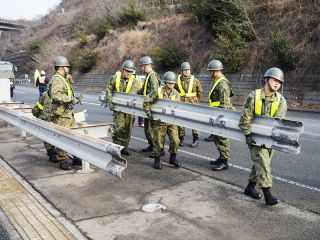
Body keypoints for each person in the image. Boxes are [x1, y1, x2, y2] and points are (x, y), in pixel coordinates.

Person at [239, 67, 287, 206]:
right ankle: (268, 195)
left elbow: (279, 122)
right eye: (274, 79)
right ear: (266, 79)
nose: (277, 83)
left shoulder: (281, 101)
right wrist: (248, 134)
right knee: (263, 163)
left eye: (279, 81)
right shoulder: (253, 96)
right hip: (254, 137)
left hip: (271, 139)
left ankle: (249, 187)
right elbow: (244, 119)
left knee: (260, 163)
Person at [48, 56, 81, 170]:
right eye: (67, 66)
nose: (68, 68)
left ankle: (76, 157)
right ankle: (63, 160)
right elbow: (55, 95)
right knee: (63, 137)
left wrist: (74, 97)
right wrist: (71, 99)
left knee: (74, 136)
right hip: (62, 114)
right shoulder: (57, 79)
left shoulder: (63, 78)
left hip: (68, 113)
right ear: (61, 67)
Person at [143, 71, 181, 170]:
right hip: (159, 122)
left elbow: (178, 108)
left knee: (175, 141)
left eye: (173, 83)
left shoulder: (176, 94)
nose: (171, 85)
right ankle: (157, 160)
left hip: (171, 122)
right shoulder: (158, 91)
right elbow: (146, 101)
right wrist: (149, 114)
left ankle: (173, 158)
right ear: (165, 82)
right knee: (158, 142)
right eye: (169, 83)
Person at [105, 60, 140, 156]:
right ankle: (116, 147)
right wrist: (109, 102)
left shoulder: (135, 81)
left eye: (130, 72)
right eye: (127, 71)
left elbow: (138, 94)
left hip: (130, 110)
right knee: (119, 128)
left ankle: (125, 147)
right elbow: (109, 89)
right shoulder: (115, 78)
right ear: (123, 70)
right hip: (118, 109)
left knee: (128, 129)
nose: (128, 73)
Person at [207, 60, 235, 171]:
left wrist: (220, 118)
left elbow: (224, 104)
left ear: (216, 71)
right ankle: (221, 157)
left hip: (221, 115)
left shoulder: (223, 84)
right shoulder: (217, 81)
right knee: (217, 138)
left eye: (210, 71)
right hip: (216, 114)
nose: (209, 73)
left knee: (223, 138)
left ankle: (224, 162)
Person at [139, 56, 163, 156]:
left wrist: (147, 102)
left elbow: (154, 92)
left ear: (147, 65)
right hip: (148, 106)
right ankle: (152, 145)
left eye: (142, 66)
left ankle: (159, 150)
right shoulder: (148, 76)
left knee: (153, 130)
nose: (141, 68)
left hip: (152, 107)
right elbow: (144, 90)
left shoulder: (152, 76)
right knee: (147, 129)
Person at [176, 62, 203, 147]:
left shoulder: (195, 80)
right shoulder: (177, 80)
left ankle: (196, 139)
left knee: (194, 122)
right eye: (185, 70)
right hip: (181, 104)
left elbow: (200, 92)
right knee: (181, 122)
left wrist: (196, 101)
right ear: (182, 71)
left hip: (193, 105)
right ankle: (181, 139)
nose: (187, 71)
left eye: (188, 70)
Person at [32, 91, 57, 162]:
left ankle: (53, 151)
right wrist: (40, 117)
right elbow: (38, 107)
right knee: (48, 135)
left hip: (55, 118)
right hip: (46, 118)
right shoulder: (45, 95)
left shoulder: (60, 94)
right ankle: (51, 152)